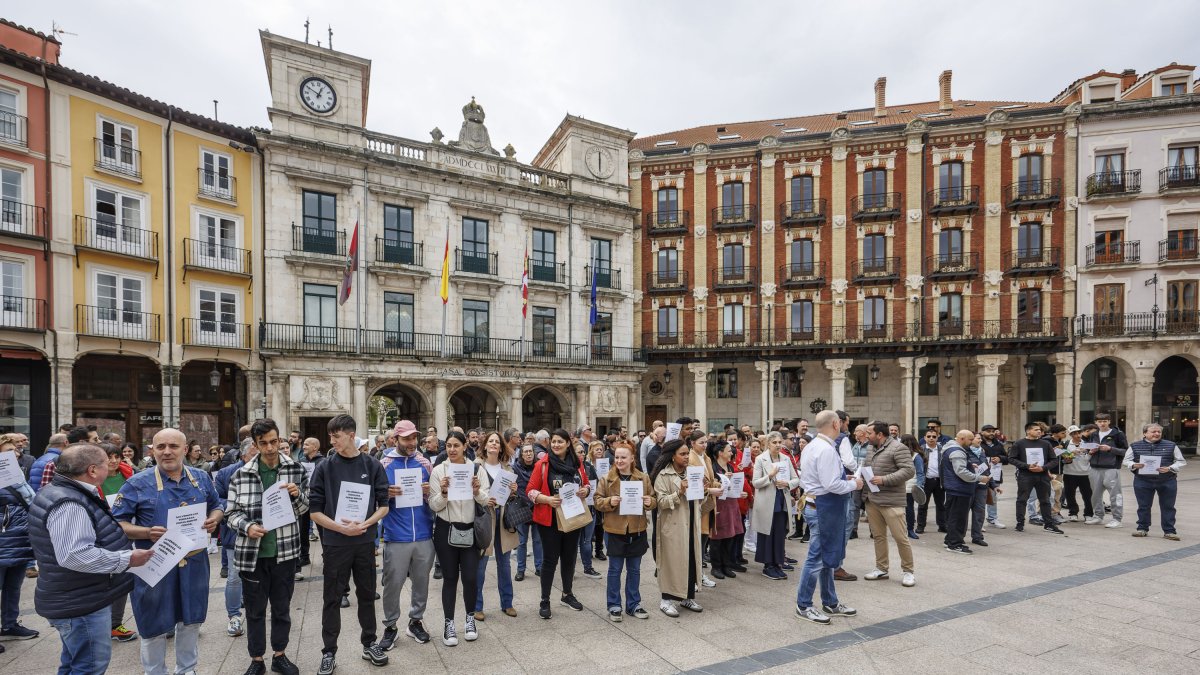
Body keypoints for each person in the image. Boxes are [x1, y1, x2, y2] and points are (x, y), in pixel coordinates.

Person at [29, 444, 153, 674]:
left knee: (74, 663)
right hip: (80, 602)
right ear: (93, 470)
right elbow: (75, 555)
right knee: (89, 666)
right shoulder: (70, 502)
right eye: (107, 463)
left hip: (74, 596)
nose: (113, 466)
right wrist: (126, 558)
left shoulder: (62, 491)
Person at [112, 429, 222, 675]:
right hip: (154, 564)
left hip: (193, 563)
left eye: (173, 446)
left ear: (185, 449)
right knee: (153, 624)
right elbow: (117, 522)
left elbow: (217, 505)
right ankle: (155, 671)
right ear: (153, 450)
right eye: (160, 447)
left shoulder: (201, 478)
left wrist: (213, 519)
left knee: (191, 620)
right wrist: (145, 532)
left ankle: (187, 670)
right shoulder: (137, 483)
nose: (167, 451)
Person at [308, 414, 391, 674]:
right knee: (331, 598)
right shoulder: (324, 466)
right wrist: (341, 527)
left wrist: (365, 524)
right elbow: (314, 511)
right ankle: (329, 651)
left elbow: (384, 506)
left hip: (365, 541)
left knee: (367, 594)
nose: (331, 441)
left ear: (351, 435)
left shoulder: (372, 464)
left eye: (336, 436)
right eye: (330, 436)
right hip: (335, 543)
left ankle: (369, 642)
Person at [225, 419, 308, 675]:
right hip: (253, 554)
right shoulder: (241, 473)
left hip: (284, 551)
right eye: (264, 443)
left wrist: (298, 496)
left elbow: (306, 508)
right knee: (255, 610)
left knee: (282, 608)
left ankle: (280, 655)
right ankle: (257, 659)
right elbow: (231, 513)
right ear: (256, 444)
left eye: (274, 441)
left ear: (279, 438)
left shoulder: (296, 469)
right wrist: (247, 526)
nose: (271, 448)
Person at [795, 410, 863, 625]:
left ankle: (830, 601)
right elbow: (831, 484)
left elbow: (823, 478)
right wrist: (854, 484)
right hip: (823, 506)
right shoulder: (825, 449)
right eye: (842, 423)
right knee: (816, 558)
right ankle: (804, 604)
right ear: (836, 423)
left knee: (826, 558)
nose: (843, 426)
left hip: (819, 503)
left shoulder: (815, 445)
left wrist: (845, 477)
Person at [428, 430, 491, 645]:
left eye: (456, 445)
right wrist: (444, 493)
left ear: (465, 446)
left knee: (471, 577)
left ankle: (470, 618)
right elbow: (433, 505)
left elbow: (487, 500)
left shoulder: (476, 469)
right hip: (446, 529)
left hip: (471, 529)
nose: (452, 450)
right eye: (449, 446)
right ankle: (449, 624)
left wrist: (476, 492)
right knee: (450, 578)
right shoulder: (438, 471)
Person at [378, 420, 435, 650]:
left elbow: (435, 499)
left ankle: (415, 621)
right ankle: (390, 626)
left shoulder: (424, 463)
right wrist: (385, 494)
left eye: (414, 438)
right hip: (396, 535)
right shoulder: (383, 465)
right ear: (396, 440)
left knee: (421, 582)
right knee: (393, 584)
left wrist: (428, 492)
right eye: (406, 439)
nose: (411, 443)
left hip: (423, 533)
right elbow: (373, 499)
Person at [525, 428, 591, 620]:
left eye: (560, 442)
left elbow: (586, 484)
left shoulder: (578, 463)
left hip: (573, 517)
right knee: (550, 560)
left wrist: (585, 491)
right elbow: (530, 490)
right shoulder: (543, 464)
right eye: (553, 442)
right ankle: (544, 599)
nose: (556, 445)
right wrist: (546, 499)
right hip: (550, 520)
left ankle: (567, 594)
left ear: (568, 443)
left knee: (569, 558)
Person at [594, 441, 656, 621]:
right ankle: (614, 605)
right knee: (615, 569)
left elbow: (653, 499)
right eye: (617, 457)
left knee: (635, 569)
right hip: (614, 530)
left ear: (632, 459)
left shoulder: (643, 478)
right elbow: (597, 501)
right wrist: (609, 502)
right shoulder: (607, 479)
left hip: (637, 529)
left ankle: (633, 604)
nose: (619, 461)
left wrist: (648, 502)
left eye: (623, 457)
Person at [652, 439, 706, 617]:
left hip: (691, 522)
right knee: (671, 562)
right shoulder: (663, 475)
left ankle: (687, 596)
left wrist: (704, 490)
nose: (686, 457)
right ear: (672, 456)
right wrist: (679, 493)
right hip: (672, 525)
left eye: (687, 454)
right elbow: (660, 502)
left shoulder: (693, 472)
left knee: (690, 558)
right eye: (682, 454)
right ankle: (666, 599)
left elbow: (699, 500)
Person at [860, 422, 916, 586]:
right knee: (878, 536)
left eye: (869, 433)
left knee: (900, 538)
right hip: (873, 500)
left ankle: (908, 571)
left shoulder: (898, 448)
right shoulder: (871, 448)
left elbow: (908, 470)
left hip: (892, 501)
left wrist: (884, 480)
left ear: (879, 434)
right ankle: (881, 568)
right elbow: (865, 468)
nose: (866, 436)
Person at [472, 431, 519, 621]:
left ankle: (507, 603)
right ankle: (477, 606)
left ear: (501, 447)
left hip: (503, 520)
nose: (493, 444)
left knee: (505, 564)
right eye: (490, 441)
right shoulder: (476, 467)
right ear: (484, 446)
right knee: (481, 565)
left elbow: (511, 497)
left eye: (497, 442)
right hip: (485, 518)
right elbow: (473, 493)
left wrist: (514, 492)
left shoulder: (508, 470)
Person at [95, 444, 136, 641]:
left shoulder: (129, 474)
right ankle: (103, 624)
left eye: (116, 456)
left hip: (129, 531)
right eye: (108, 457)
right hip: (102, 532)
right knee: (104, 579)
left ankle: (115, 624)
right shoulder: (93, 479)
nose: (113, 460)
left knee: (123, 578)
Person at [0, 435, 38, 646]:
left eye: (14, 450)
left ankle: (9, 624)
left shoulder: (18, 478)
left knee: (13, 586)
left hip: (20, 539)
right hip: (4, 541)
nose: (15, 454)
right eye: (8, 451)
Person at [216, 439, 255, 637]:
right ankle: (234, 616)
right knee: (234, 576)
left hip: (260, 532)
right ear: (244, 454)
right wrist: (239, 505)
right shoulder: (226, 473)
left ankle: (256, 611)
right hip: (234, 532)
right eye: (255, 453)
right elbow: (216, 500)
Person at [752, 431, 800, 580]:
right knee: (767, 533)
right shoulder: (761, 459)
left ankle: (777, 563)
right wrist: (770, 476)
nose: (778, 445)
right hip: (766, 502)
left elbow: (796, 479)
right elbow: (755, 483)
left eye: (780, 442)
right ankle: (768, 565)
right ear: (768, 443)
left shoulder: (785, 458)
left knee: (779, 533)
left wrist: (787, 483)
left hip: (781, 500)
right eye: (775, 442)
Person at [1124, 423, 1186, 539]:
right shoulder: (1134, 446)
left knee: (1168, 506)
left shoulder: (1171, 445)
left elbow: (1181, 461)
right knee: (1143, 506)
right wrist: (1134, 465)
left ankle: (1169, 531)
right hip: (1142, 480)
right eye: (1153, 432)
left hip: (1167, 480)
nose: (1157, 434)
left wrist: (1170, 468)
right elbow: (1126, 461)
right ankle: (1142, 528)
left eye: (1159, 432)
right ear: (1145, 433)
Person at [940, 430, 991, 554]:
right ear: (962, 438)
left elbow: (956, 467)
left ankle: (950, 540)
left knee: (954, 517)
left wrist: (969, 465)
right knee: (958, 518)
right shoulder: (957, 451)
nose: (972, 441)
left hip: (954, 488)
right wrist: (980, 478)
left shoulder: (950, 448)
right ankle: (955, 544)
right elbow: (961, 472)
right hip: (959, 489)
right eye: (970, 439)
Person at [1007, 422, 1063, 534]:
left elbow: (1054, 460)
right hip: (1026, 475)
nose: (1039, 431)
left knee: (1045, 500)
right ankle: (1020, 523)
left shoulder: (1045, 444)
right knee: (1022, 499)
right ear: (1028, 431)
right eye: (1036, 429)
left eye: (1040, 430)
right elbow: (1012, 459)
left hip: (1042, 475)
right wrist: (1027, 466)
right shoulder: (1019, 443)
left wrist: (1043, 468)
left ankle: (1048, 524)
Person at [708, 440, 746, 580]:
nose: (732, 453)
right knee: (717, 538)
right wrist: (721, 478)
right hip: (719, 505)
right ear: (720, 453)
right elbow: (711, 485)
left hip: (731, 504)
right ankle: (716, 567)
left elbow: (734, 487)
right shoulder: (713, 468)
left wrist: (740, 493)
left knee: (729, 536)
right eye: (729, 450)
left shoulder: (731, 466)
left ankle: (726, 565)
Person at [1087, 413, 1127, 528]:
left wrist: (1110, 449)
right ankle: (1098, 516)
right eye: (1100, 421)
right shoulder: (1093, 434)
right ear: (1096, 422)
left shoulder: (1118, 434)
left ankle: (1117, 519)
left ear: (1109, 421)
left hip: (1111, 468)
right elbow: (1088, 449)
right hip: (1094, 467)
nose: (1102, 423)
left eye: (1105, 421)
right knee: (1095, 494)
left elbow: (1125, 451)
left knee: (1115, 494)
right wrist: (1090, 451)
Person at [511, 443, 542, 581]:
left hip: (537, 506)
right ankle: (521, 569)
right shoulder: (514, 469)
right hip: (522, 507)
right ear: (521, 454)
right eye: (526, 452)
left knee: (538, 540)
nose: (529, 454)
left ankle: (539, 567)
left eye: (531, 451)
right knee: (522, 542)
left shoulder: (539, 467)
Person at [1059, 425, 1093, 522]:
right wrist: (1071, 454)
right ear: (1070, 435)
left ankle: (1089, 514)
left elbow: (1088, 459)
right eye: (1074, 433)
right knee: (1070, 495)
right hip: (1069, 473)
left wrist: (1089, 453)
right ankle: (1073, 513)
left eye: (1078, 432)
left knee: (1088, 495)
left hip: (1085, 473)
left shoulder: (1087, 444)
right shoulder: (1065, 444)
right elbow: (1063, 459)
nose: (1077, 435)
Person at [915, 428, 944, 535]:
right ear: (924, 438)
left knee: (940, 504)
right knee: (923, 504)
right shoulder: (921, 450)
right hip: (926, 480)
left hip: (939, 481)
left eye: (934, 437)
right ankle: (920, 526)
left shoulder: (942, 449)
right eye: (929, 436)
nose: (931, 439)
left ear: (937, 437)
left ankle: (942, 525)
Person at [900, 434, 925, 540]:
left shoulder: (916, 456)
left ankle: (910, 529)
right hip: (901, 485)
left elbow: (920, 473)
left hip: (910, 487)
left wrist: (919, 486)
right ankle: (905, 529)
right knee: (903, 509)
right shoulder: (901, 455)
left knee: (909, 509)